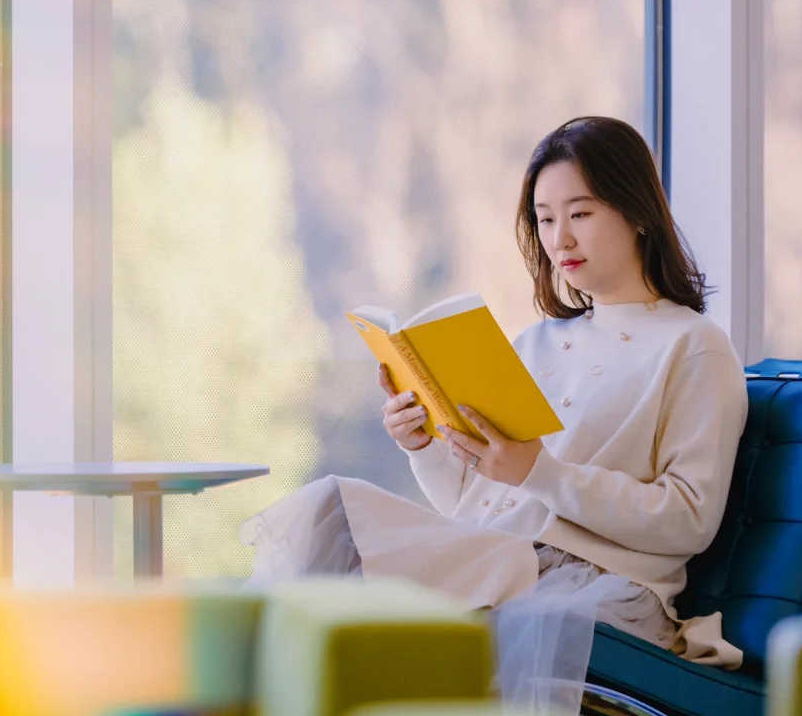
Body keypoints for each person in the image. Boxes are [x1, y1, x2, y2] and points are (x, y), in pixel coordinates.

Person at [241, 116, 749, 673]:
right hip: (498, 558)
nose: (560, 240)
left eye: (580, 213)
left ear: (636, 214)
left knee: (332, 514)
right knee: (330, 523)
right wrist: (424, 447)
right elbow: (475, 501)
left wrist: (542, 473)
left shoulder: (694, 346)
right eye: (546, 219)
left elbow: (690, 519)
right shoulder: (536, 342)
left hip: (594, 584)